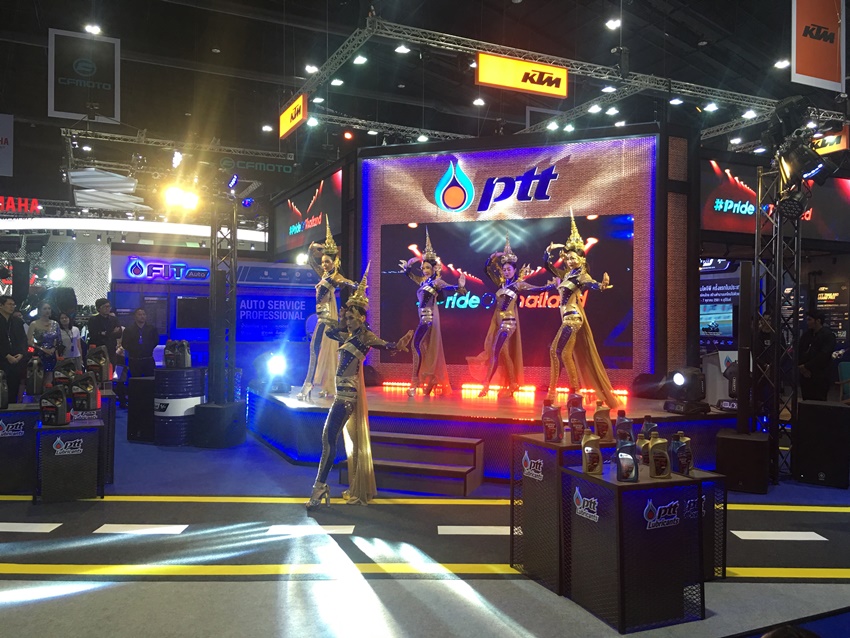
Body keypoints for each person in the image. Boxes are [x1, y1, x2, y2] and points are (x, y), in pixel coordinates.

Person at [306, 265, 413, 509]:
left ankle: (319, 487)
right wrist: (337, 315)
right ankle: (321, 486)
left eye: (353, 317)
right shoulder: (348, 335)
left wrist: (399, 344)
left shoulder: (365, 337)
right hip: (340, 395)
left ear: (363, 318)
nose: (349, 320)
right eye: (348, 317)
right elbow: (330, 332)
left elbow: (387, 345)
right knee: (328, 439)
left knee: (328, 438)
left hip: (346, 397)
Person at [543, 212, 620, 408]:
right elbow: (548, 267)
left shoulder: (581, 276)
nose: (570, 261)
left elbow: (593, 284)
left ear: (581, 258)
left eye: (573, 257)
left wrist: (601, 286)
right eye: (567, 258)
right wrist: (547, 254)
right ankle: (575, 392)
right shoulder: (568, 275)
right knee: (565, 354)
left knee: (554, 350)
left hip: (572, 318)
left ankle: (552, 393)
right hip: (567, 318)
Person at [467, 236, 554, 398]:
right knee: (504, 354)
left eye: (509, 269)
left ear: (515, 270)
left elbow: (537, 289)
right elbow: (486, 270)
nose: (506, 271)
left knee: (495, 352)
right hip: (499, 322)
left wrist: (551, 285)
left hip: (508, 323)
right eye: (504, 269)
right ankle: (513, 383)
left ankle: (486, 385)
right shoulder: (501, 284)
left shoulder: (518, 284)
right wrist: (492, 257)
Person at [399, 228, 465, 397]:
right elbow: (409, 275)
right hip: (422, 318)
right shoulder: (423, 281)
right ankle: (430, 380)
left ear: (435, 268)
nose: (425, 270)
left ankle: (415, 383)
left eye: (428, 267)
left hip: (428, 320)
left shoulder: (437, 282)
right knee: (426, 349)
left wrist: (459, 286)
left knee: (416, 346)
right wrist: (409, 264)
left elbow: (452, 288)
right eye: (423, 267)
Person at [297, 221, 356, 401]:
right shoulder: (325, 275)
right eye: (323, 262)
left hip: (327, 319)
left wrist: (354, 286)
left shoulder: (334, 276)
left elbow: (346, 282)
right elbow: (311, 263)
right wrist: (312, 250)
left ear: (333, 262)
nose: (324, 265)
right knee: (324, 351)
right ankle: (327, 385)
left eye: (327, 262)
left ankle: (308, 385)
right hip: (322, 317)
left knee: (315, 349)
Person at [798, 309, 836, 401]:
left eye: (810, 320)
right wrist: (801, 367)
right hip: (805, 376)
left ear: (818, 321)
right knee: (806, 401)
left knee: (819, 403)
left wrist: (807, 366)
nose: (807, 322)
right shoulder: (807, 335)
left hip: (820, 376)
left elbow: (824, 355)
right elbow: (799, 351)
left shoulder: (828, 335)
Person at [0, 296, 28, 402]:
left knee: (13, 387)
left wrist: (21, 354)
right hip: (2, 359)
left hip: (16, 360)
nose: (12, 307)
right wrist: (6, 355)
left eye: (13, 305)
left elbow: (23, 340)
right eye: (9, 304)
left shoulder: (17, 322)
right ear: (1, 306)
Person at [118, 308, 160, 378]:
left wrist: (148, 348)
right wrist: (134, 349)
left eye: (144, 314)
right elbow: (125, 343)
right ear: (135, 316)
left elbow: (155, 341)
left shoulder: (152, 329)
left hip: (148, 359)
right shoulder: (129, 330)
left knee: (150, 380)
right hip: (134, 360)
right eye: (140, 315)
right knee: (136, 380)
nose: (142, 316)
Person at [28, 301, 60, 386]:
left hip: (52, 354)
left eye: (49, 308)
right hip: (38, 355)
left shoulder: (55, 324)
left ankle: (48, 393)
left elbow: (58, 340)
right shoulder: (34, 324)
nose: (47, 311)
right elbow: (29, 341)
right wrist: (43, 349)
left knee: (49, 379)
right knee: (38, 379)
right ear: (39, 310)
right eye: (45, 309)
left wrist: (53, 349)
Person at [87, 298, 123, 367]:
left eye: (109, 306)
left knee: (112, 369)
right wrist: (111, 333)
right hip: (98, 351)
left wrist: (104, 333)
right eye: (105, 307)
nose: (108, 308)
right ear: (99, 308)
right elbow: (94, 335)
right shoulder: (93, 320)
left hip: (111, 350)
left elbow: (119, 334)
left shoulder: (114, 319)